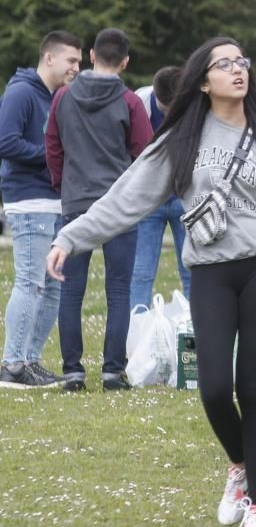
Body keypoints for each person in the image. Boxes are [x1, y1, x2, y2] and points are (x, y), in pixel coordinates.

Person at [46, 36, 256, 527]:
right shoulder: (182, 140)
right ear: (203, 81)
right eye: (224, 64)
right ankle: (238, 466)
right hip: (210, 268)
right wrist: (72, 236)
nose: (238, 70)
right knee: (213, 387)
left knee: (252, 387)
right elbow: (127, 196)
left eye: (242, 62)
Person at [45, 28, 153, 392]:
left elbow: (53, 145)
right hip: (118, 206)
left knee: (71, 290)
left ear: (91, 55)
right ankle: (111, 371)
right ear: (124, 61)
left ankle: (73, 371)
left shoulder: (62, 97)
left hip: (75, 201)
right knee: (118, 289)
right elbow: (145, 155)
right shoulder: (130, 102)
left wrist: (63, 184)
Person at [0, 30, 82, 388]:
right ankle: (12, 364)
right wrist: (53, 156)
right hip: (29, 201)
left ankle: (28, 361)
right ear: (49, 58)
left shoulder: (52, 97)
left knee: (52, 288)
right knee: (32, 282)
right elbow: (6, 141)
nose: (77, 68)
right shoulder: (21, 92)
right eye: (72, 60)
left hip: (51, 200)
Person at [130, 66, 192, 308]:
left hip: (185, 198)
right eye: (165, 107)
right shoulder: (139, 102)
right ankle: (137, 331)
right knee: (141, 273)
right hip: (149, 200)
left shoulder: (195, 106)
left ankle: (195, 331)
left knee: (192, 270)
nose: (169, 112)